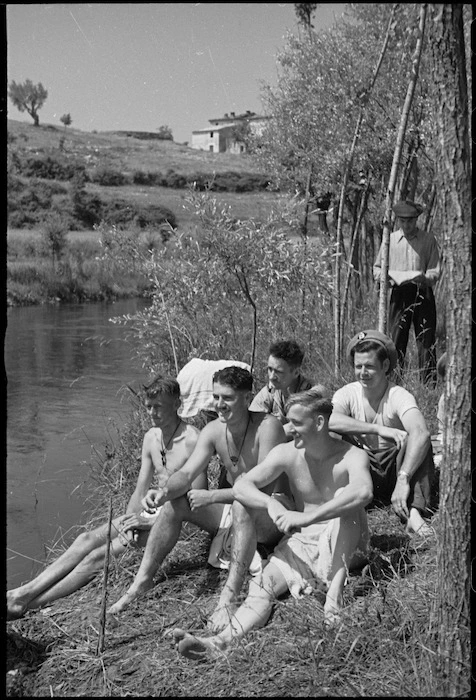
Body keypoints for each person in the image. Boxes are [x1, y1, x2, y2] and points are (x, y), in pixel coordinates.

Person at [173, 386, 372, 661]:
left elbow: (363, 492)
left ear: (319, 423)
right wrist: (271, 503)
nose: (289, 428)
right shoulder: (288, 453)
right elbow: (243, 486)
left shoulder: (351, 455)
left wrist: (307, 517)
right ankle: (219, 643)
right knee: (262, 585)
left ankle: (334, 598)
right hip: (302, 543)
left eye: (297, 423)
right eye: (288, 421)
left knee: (346, 502)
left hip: (346, 542)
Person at [107, 366, 290, 633]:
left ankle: (228, 597)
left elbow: (263, 487)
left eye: (227, 398)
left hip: (272, 509)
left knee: (243, 504)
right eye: (216, 397)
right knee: (177, 502)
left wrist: (212, 495)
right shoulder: (214, 429)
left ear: (246, 396)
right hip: (235, 505)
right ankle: (141, 583)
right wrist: (163, 493)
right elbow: (187, 473)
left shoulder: (268, 427)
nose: (219, 404)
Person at [6, 376, 205, 621]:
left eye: (159, 407)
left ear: (177, 403)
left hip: (177, 521)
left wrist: (149, 524)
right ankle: (22, 592)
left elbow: (196, 500)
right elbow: (140, 488)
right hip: (149, 515)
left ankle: (29, 604)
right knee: (85, 539)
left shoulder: (193, 440)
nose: (153, 413)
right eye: (149, 406)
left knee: (95, 557)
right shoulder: (151, 438)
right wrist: (131, 520)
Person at [329, 329, 435, 536]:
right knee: (332, 435)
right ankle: (343, 499)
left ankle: (414, 511)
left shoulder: (398, 395)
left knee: (420, 441)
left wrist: (403, 478)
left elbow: (420, 432)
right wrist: (377, 428)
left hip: (395, 467)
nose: (363, 372)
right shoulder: (348, 393)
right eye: (358, 366)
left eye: (369, 366)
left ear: (385, 366)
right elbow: (330, 420)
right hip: (362, 467)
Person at [373, 199, 441, 386]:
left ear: (416, 220)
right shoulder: (391, 240)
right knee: (396, 340)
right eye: (402, 221)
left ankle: (429, 385)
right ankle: (394, 383)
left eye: (410, 221)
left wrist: (425, 278)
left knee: (426, 340)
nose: (407, 225)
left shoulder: (428, 240)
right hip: (399, 294)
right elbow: (377, 269)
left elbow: (435, 270)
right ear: (397, 221)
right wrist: (386, 277)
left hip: (422, 292)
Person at [249, 339, 313, 438]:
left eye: (278, 372)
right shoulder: (269, 393)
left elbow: (308, 426)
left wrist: (274, 432)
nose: (271, 377)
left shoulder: (312, 394)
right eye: (270, 369)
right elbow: (251, 427)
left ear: (296, 372)